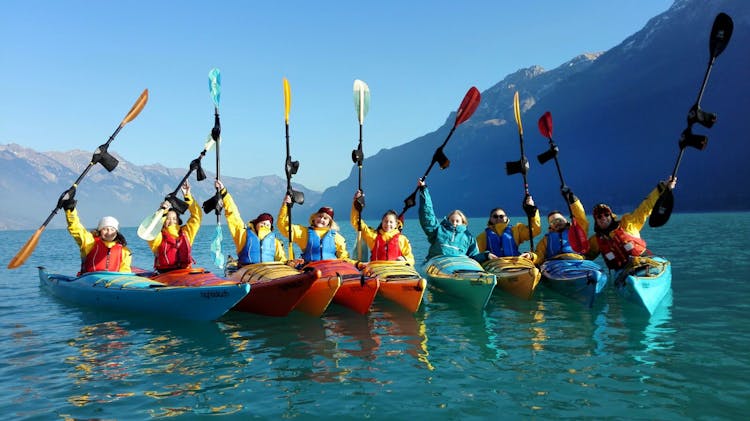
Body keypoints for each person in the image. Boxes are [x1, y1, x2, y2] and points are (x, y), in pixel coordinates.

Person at [587, 177, 677, 270]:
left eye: (606, 214)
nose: (603, 218)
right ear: (596, 221)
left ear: (611, 216)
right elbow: (586, 255)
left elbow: (645, 207)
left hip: (646, 263)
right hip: (623, 273)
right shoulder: (596, 241)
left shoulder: (628, 223)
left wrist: (662, 188)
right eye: (599, 216)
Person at [417, 179, 488, 263]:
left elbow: (473, 257)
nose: (454, 223)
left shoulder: (468, 237)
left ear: (463, 223)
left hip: (459, 265)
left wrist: (486, 255)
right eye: (452, 220)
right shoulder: (438, 230)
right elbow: (427, 215)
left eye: (457, 221)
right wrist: (423, 189)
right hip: (437, 263)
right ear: (448, 220)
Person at [216, 179, 286, 265]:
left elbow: (282, 259)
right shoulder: (243, 235)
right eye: (263, 223)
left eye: (268, 224)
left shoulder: (275, 242)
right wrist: (224, 193)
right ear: (256, 224)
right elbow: (234, 216)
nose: (265, 226)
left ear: (271, 227)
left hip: (269, 271)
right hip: (248, 270)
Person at [61, 196, 132, 273]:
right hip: (88, 280)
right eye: (105, 229)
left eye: (112, 229)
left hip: (112, 282)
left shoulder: (125, 251)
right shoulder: (89, 243)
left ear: (117, 232)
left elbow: (125, 271)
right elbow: (76, 228)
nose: (109, 232)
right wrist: (70, 210)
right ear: (100, 230)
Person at [350, 190, 416, 265]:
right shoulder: (373, 236)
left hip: (397, 271)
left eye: (391, 222)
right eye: (385, 221)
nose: (388, 224)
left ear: (396, 224)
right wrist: (356, 202)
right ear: (382, 222)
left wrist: (405, 259)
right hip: (377, 271)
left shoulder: (402, 239)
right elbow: (356, 222)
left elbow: (410, 258)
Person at [147, 181, 201, 272]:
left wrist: (188, 196)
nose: (171, 221)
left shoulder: (187, 233)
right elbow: (152, 228)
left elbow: (197, 216)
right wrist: (162, 211)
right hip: (165, 273)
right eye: (168, 218)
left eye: (174, 218)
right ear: (163, 221)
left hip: (185, 271)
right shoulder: (158, 236)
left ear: (178, 220)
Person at [278, 194, 349, 263]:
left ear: (329, 222)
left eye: (325, 218)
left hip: (331, 268)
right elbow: (283, 226)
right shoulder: (303, 232)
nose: (321, 220)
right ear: (314, 218)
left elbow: (343, 256)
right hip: (310, 269)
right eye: (320, 216)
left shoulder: (337, 237)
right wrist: (285, 206)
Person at [533, 186, 589, 265]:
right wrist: (531, 256)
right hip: (555, 265)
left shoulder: (577, 231)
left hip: (577, 261)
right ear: (550, 226)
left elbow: (580, 217)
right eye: (552, 222)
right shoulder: (546, 240)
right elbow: (539, 254)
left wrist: (572, 199)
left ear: (566, 220)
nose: (557, 223)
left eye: (559, 220)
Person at [476, 195, 541, 261]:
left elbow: (534, 230)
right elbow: (476, 255)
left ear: (506, 218)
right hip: (495, 265)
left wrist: (533, 211)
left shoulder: (516, 230)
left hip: (515, 263)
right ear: (490, 219)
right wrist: (485, 256)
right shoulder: (483, 236)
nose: (498, 218)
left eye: (501, 216)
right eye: (495, 216)